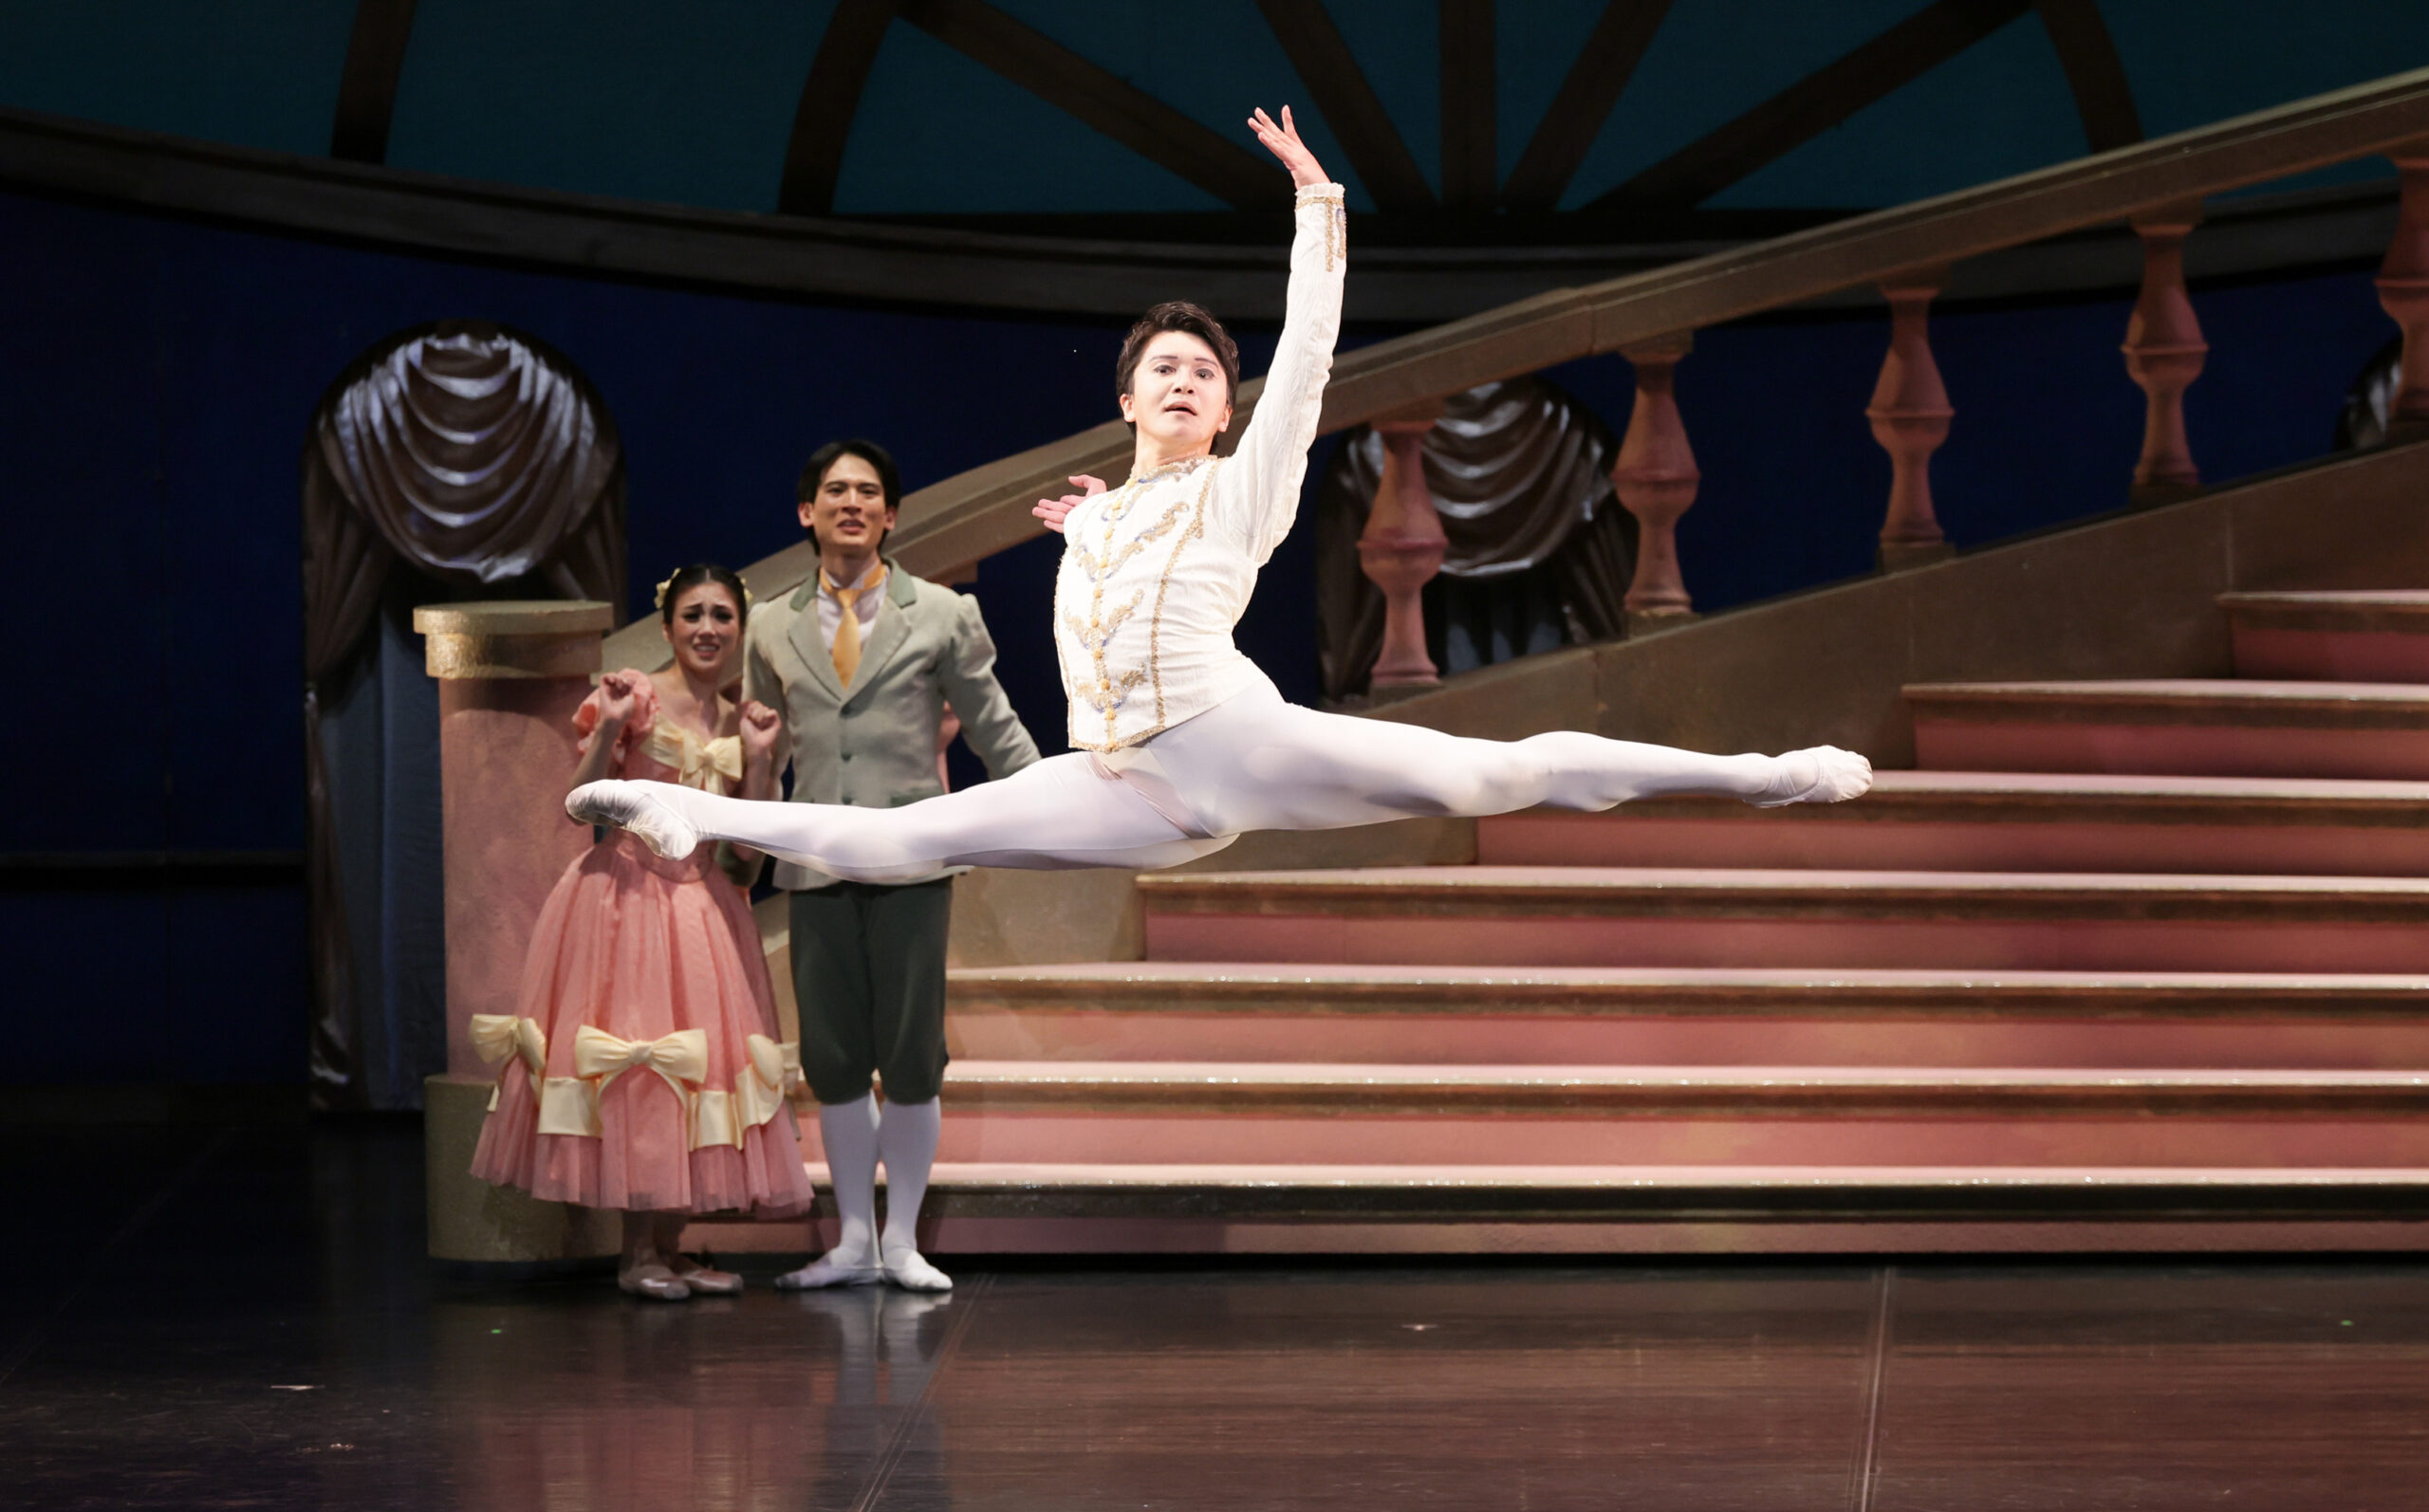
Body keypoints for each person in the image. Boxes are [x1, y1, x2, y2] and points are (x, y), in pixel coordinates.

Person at [567, 110, 1869, 933]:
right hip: (1121, 780)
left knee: (1498, 775)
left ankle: (1757, 775)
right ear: (1127, 397)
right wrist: (1092, 529)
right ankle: (692, 819)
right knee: (905, 842)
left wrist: (1317, 207)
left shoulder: (1243, 484)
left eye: (1205, 372)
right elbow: (1117, 577)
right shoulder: (1104, 516)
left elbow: (1305, 356)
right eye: (1165, 369)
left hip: (1234, 743)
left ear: (1223, 406)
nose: (1187, 381)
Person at [744, 440, 1041, 1295]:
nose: (852, 503)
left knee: (911, 1054)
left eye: (868, 492)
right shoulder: (769, 624)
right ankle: (853, 1240)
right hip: (816, 862)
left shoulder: (942, 612)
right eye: (835, 490)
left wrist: (1055, 804)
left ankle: (902, 1239)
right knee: (832, 1053)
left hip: (911, 861)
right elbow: (764, 745)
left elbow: (992, 724)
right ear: (807, 512)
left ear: (891, 514)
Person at [473, 564, 816, 1300]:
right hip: (627, 900)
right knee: (642, 1065)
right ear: (667, 626)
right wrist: (614, 724)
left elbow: (746, 853)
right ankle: (636, 1255)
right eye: (693, 614)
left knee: (700, 1069)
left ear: (740, 630)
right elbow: (582, 801)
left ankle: (672, 1245)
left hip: (703, 905)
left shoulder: (742, 719)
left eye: (721, 615)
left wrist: (760, 759)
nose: (707, 629)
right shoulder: (636, 696)